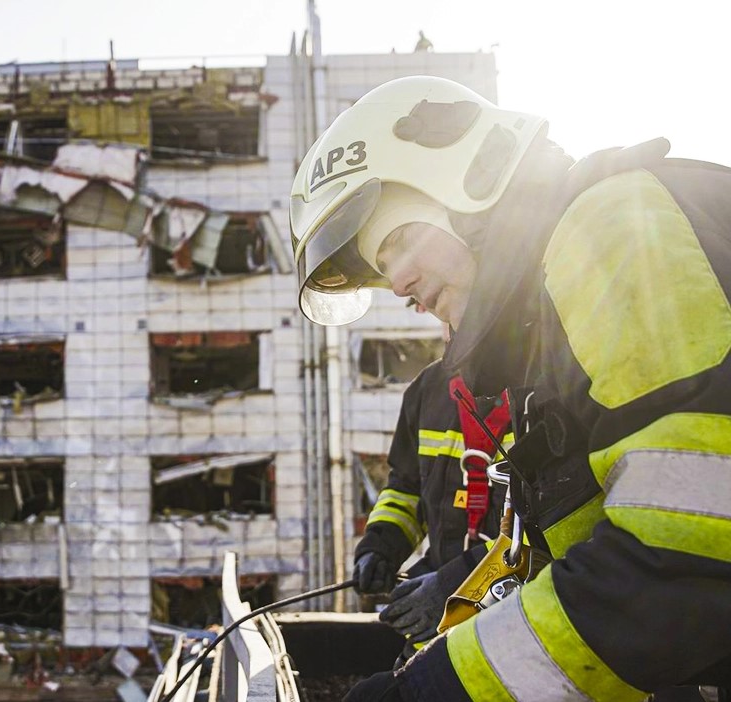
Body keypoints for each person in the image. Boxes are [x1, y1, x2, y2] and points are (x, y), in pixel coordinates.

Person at [289, 75, 731, 700]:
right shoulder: (546, 337)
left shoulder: (614, 228)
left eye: (397, 245)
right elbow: (573, 557)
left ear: (469, 183)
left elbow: (687, 557)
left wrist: (429, 692)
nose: (405, 291)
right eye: (386, 277)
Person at [355, 340, 513, 650]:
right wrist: (381, 547)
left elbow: (549, 531)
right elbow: (407, 487)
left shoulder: (544, 394)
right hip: (435, 603)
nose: (421, 306)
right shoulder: (428, 388)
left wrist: (457, 583)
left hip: (514, 614)